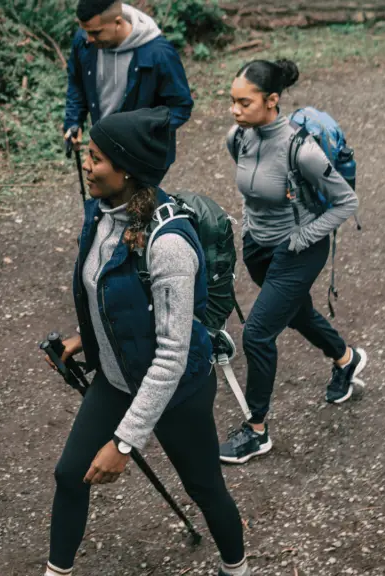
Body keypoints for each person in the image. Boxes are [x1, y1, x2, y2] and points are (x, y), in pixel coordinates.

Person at [44, 107, 250, 576]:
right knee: (68, 474)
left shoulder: (168, 246)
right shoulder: (103, 213)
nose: (86, 165)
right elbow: (107, 290)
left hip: (177, 391)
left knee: (204, 488)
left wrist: (124, 443)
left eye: (96, 158)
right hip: (117, 378)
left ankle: (237, 569)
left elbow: (172, 356)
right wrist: (87, 339)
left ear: (128, 170)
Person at [219, 59, 367, 465]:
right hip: (259, 248)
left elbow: (346, 202)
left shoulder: (302, 149)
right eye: (232, 101)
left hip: (300, 249)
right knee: (298, 314)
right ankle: (346, 359)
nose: (234, 110)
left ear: (272, 101)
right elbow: (255, 191)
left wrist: (301, 237)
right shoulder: (240, 137)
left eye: (244, 103)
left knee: (258, 334)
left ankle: (256, 430)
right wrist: (250, 228)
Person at [63, 0, 193, 166]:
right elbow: (77, 83)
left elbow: (180, 106)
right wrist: (73, 122)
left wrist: (143, 133)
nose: (88, 39)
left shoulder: (159, 53)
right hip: (104, 147)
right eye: (85, 31)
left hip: (143, 157)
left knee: (133, 193)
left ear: (117, 22)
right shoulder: (85, 42)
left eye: (95, 32)